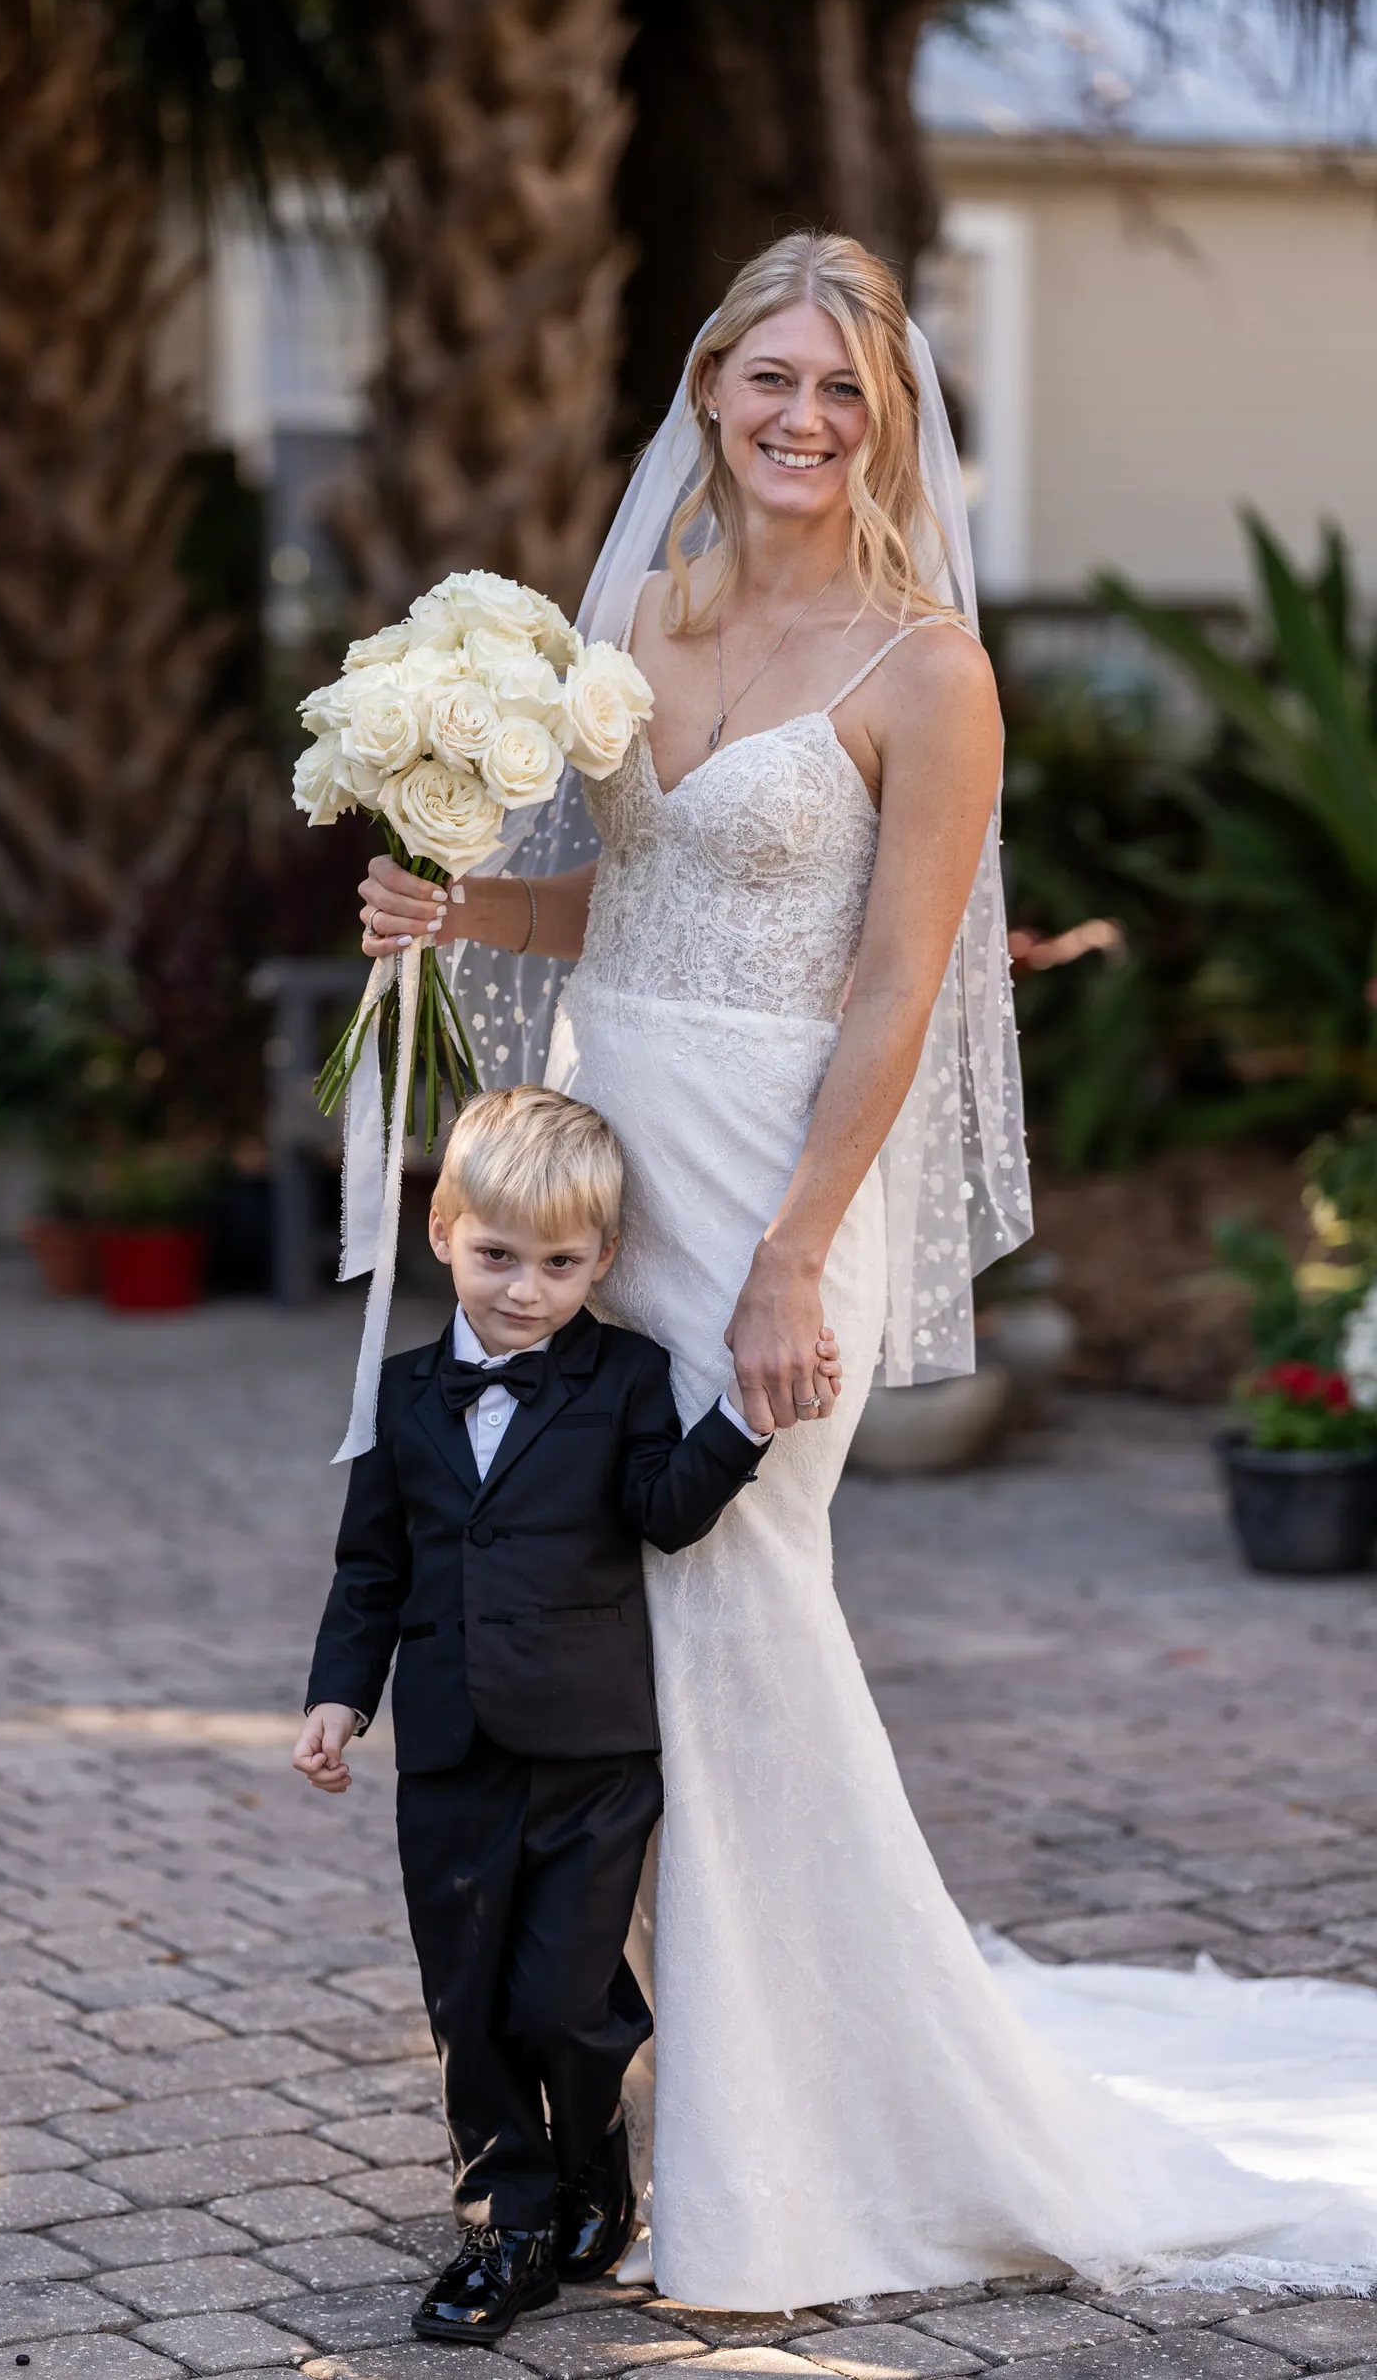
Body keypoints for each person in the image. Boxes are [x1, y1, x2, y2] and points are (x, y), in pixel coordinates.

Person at [351, 233, 1377, 2309]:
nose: (803, 421)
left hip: (773, 1165)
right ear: (709, 391)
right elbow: (608, 915)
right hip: (606, 1130)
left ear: (886, 422)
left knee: (734, 1602)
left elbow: (897, 981)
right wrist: (445, 899)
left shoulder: (925, 665)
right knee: (607, 1591)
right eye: (772, 382)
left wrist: (790, 1254)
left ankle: (800, 2143)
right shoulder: (629, 618)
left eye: (845, 392)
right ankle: (603, 2118)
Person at [295, 1086, 836, 2338]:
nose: (525, 1288)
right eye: (498, 1255)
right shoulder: (402, 1389)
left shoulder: (626, 1375)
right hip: (447, 1752)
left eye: (559, 1263)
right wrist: (338, 1694)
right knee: (467, 2001)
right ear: (445, 1230)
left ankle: (592, 2140)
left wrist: (746, 1418)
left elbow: (661, 1508)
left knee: (563, 1999)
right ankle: (510, 2223)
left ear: (603, 1259)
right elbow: (368, 1565)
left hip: (592, 1747)